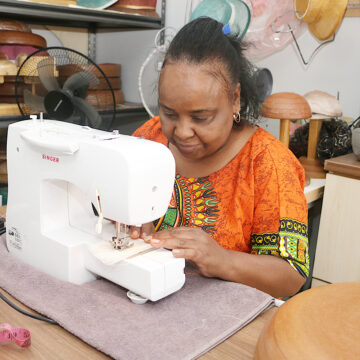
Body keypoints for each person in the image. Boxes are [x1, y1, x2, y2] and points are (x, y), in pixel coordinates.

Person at [130, 17, 309, 298]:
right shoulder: (149, 138)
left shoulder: (268, 164)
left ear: (235, 98)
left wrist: (221, 260)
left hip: (228, 324)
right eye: (169, 113)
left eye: (201, 117)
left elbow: (291, 276)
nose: (183, 131)